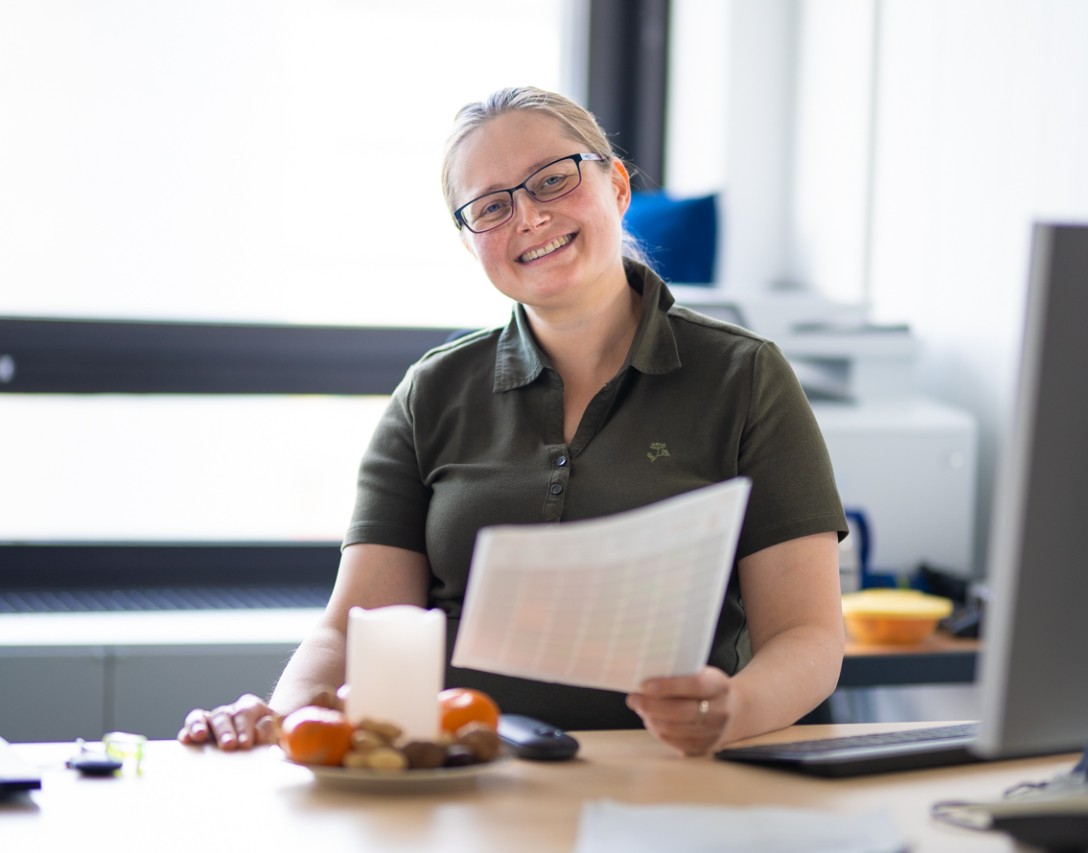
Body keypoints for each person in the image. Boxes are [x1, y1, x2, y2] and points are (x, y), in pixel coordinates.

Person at [179, 86, 847, 757]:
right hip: (454, 773)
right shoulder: (432, 391)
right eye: (492, 206)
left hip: (675, 774)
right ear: (470, 243)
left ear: (616, 186)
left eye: (553, 180)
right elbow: (354, 630)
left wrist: (732, 709)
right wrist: (276, 717)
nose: (529, 217)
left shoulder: (745, 375)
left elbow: (808, 637)